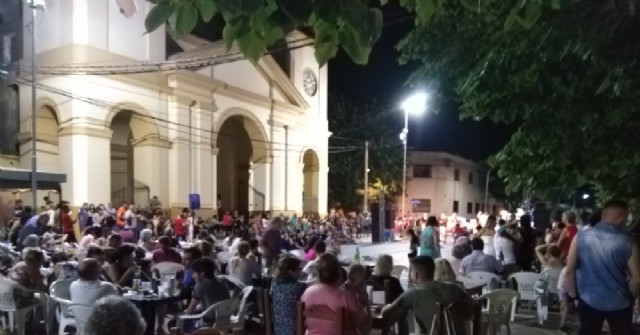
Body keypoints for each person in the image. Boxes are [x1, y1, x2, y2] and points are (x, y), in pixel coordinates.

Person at [566, 200, 640, 335]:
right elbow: (637, 278)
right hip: (619, 301)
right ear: (620, 217)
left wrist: (573, 295)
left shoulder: (581, 236)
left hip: (588, 298)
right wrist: (630, 298)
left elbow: (569, 269)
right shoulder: (629, 242)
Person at [382, 256, 474, 335]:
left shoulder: (413, 294)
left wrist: (386, 307)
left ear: (416, 275)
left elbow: (387, 315)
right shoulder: (453, 288)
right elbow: (472, 308)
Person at [300, 254, 370, 335]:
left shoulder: (307, 293)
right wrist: (367, 303)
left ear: (319, 273)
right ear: (339, 273)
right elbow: (365, 329)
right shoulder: (346, 297)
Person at [183, 258, 231, 331]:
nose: (192, 276)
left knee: (177, 322)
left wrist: (183, 315)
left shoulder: (200, 285)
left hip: (208, 324)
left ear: (202, 273)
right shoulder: (222, 282)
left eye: (194, 273)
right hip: (225, 320)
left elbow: (190, 311)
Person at [271, 256, 307, 335]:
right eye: (298, 269)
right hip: (294, 329)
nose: (300, 270)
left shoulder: (274, 283)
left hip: (278, 328)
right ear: (290, 272)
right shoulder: (298, 287)